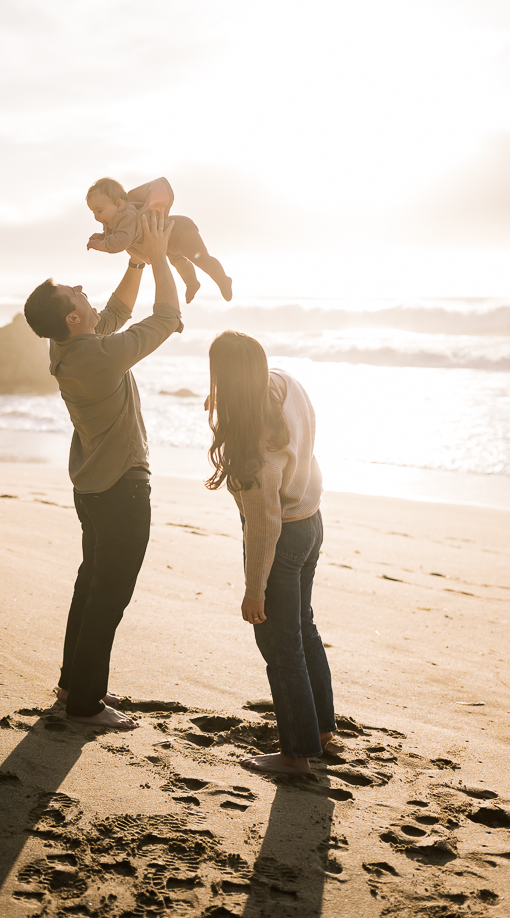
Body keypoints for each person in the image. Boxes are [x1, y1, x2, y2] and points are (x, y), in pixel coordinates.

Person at [23, 212, 182, 731]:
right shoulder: (96, 357)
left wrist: (135, 263)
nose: (83, 290)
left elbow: (112, 312)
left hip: (94, 489)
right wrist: (159, 260)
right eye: (75, 293)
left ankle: (74, 684)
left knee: (91, 586)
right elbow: (163, 319)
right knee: (108, 595)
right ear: (71, 318)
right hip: (120, 492)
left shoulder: (70, 346)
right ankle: (87, 705)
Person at [206, 330, 336, 773]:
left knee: (280, 646)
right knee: (303, 626)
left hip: (282, 539)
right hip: (312, 520)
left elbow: (264, 526)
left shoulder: (254, 450)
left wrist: (254, 590)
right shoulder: (286, 383)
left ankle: (296, 754)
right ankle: (319, 728)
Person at [85, 176, 232, 304]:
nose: (97, 217)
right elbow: (121, 234)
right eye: (93, 212)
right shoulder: (117, 220)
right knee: (179, 262)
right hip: (167, 244)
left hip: (180, 232)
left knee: (201, 259)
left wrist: (98, 244)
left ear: (118, 204)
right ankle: (192, 283)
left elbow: (120, 242)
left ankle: (223, 279)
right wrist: (102, 236)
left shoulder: (127, 215)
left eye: (99, 211)